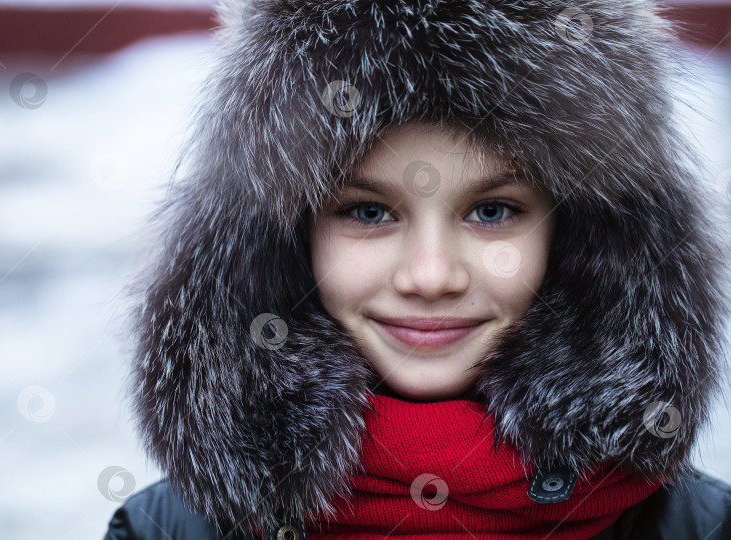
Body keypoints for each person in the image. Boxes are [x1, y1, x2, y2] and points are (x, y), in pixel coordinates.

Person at [105, 0, 731, 538]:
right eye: (370, 212)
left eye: (492, 211)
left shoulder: (697, 527)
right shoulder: (167, 529)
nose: (431, 278)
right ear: (286, 237)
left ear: (578, 237)